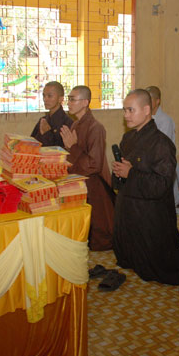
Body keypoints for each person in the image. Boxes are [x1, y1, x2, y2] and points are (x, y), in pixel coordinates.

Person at [112, 89, 179, 285]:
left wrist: (131, 173)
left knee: (156, 268)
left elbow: (162, 184)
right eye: (124, 110)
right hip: (129, 208)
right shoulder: (128, 138)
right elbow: (123, 174)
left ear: (146, 110)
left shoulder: (162, 144)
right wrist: (119, 171)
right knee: (130, 257)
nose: (126, 115)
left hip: (150, 214)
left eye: (130, 110)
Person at [60, 86, 114, 251]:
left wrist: (73, 147)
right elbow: (71, 156)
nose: (68, 103)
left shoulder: (96, 128)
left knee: (99, 234)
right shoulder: (75, 124)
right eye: (68, 99)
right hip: (78, 181)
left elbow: (94, 164)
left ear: (85, 102)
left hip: (94, 184)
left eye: (72, 99)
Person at [30, 81, 73, 147]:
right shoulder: (43, 120)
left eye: (50, 96)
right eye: (44, 96)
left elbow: (64, 149)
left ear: (60, 99)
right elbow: (32, 142)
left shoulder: (67, 123)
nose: (45, 99)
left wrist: (47, 134)